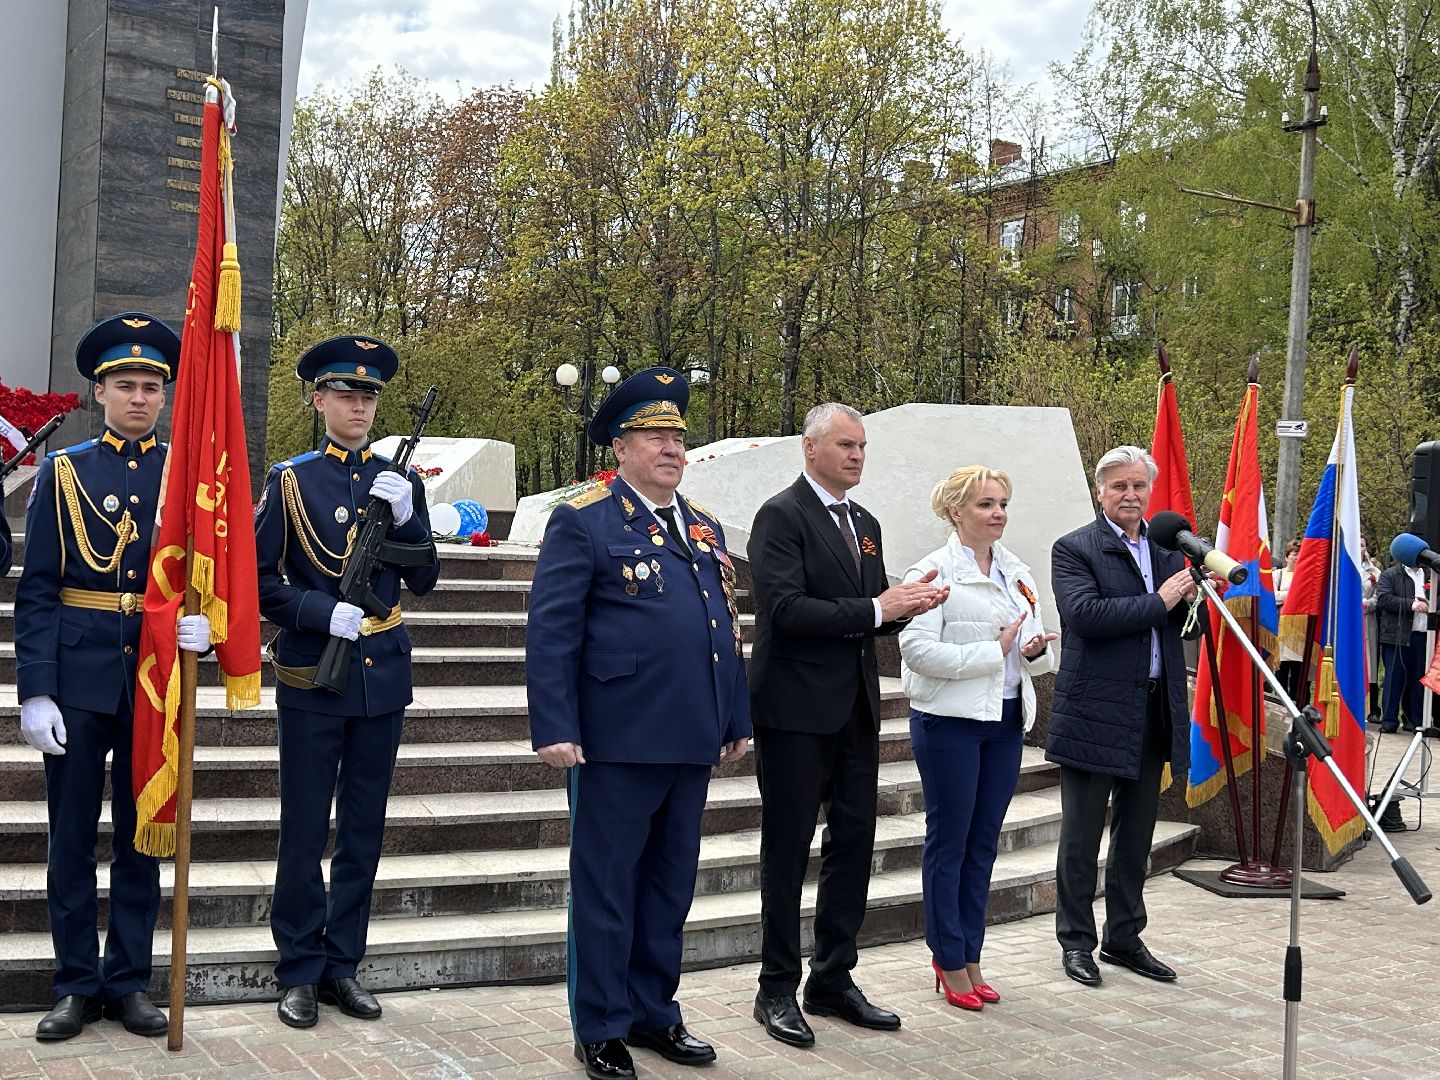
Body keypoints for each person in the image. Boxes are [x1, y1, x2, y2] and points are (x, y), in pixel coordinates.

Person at [526, 367, 750, 1080]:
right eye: (654, 435)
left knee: (667, 887)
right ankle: (600, 1024)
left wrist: (735, 713)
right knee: (607, 888)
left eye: (677, 436)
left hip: (691, 736)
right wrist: (554, 725)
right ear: (620, 447)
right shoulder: (585, 518)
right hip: (613, 742)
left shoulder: (704, 526)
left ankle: (655, 1011)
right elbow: (551, 632)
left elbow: (725, 628)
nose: (671, 447)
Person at [14, 313, 212, 1041]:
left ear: (166, 395)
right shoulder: (65, 471)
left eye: (152, 386)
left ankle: (127, 981)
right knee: (69, 840)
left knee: (143, 838)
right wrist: (34, 687)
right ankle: (74, 983)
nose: (140, 397)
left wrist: (208, 631)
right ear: (99, 391)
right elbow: (36, 590)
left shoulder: (185, 475)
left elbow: (210, 577)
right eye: (125, 385)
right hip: (76, 677)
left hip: (157, 681)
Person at [748, 402, 948, 1048]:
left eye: (862, 446)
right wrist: (874, 606)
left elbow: (869, 615)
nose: (857, 455)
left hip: (856, 710)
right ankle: (775, 986)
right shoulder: (781, 516)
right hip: (794, 712)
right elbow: (784, 610)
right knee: (787, 851)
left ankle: (832, 976)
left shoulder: (864, 522)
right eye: (844, 445)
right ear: (810, 449)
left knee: (853, 844)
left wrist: (908, 606)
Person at [254, 335, 439, 1028]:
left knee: (363, 831)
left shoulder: (402, 483)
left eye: (368, 397)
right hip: (311, 678)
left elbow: (423, 580)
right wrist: (316, 609)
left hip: (381, 676)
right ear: (318, 400)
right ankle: (298, 969)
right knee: (304, 831)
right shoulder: (291, 480)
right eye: (346, 394)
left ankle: (343, 966)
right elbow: (260, 578)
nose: (358, 406)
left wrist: (414, 517)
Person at [899, 466, 1057, 1011]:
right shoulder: (931, 571)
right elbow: (917, 654)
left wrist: (1033, 652)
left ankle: (971, 953)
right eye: (986, 504)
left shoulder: (1017, 571)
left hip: (1006, 720)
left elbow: (1035, 648)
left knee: (983, 845)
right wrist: (996, 651)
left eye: (1004, 503)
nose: (999, 514)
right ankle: (947, 958)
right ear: (955, 511)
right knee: (951, 843)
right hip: (949, 724)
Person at [1047, 445, 1197, 989]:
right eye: (1119, 487)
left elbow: (1172, 625)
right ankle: (1076, 942)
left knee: (1136, 835)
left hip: (1153, 707)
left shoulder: (1164, 550)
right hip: (1094, 711)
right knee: (1082, 837)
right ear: (1100, 492)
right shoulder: (1075, 548)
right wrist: (1162, 600)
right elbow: (1085, 616)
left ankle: (1125, 938)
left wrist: (1193, 606)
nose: (1130, 496)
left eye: (1138, 487)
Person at [1375, 555, 1428, 734]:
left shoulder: (1430, 575)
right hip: (1396, 636)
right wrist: (1411, 604)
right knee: (1394, 678)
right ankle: (1389, 720)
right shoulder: (1390, 574)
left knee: (1418, 679)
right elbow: (1383, 599)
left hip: (1422, 636)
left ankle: (1415, 720)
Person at [1359, 537, 1382, 725]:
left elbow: (1378, 597)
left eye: (1362, 544)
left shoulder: (1375, 572)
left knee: (1369, 663)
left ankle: (1372, 708)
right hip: (1346, 619)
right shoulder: (1340, 567)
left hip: (1367, 620)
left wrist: (1366, 604)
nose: (1359, 548)